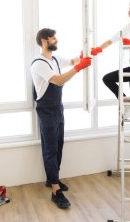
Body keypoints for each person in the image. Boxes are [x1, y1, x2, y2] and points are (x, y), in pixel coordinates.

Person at [31, 28, 92, 209]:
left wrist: (83, 55)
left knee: (58, 145)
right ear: (44, 41)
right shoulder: (39, 63)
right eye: (53, 38)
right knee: (50, 149)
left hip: (58, 108)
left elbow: (73, 61)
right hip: (46, 110)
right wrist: (78, 67)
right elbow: (57, 80)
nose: (56, 40)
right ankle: (55, 190)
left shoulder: (55, 59)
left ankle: (53, 180)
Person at [91, 0, 130, 134]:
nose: (129, 13)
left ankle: (125, 100)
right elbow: (112, 39)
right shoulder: (129, 27)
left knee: (107, 78)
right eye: (128, 11)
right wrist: (98, 49)